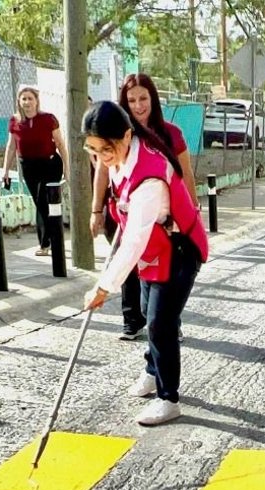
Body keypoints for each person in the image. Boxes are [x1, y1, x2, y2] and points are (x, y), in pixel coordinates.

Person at [81, 101, 209, 426]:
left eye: (105, 149)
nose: (101, 158)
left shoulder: (149, 175)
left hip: (179, 249)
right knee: (145, 305)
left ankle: (169, 398)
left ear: (126, 136)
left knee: (160, 323)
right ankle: (153, 370)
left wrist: (103, 287)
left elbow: (135, 238)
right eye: (93, 150)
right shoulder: (118, 158)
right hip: (156, 249)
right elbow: (131, 226)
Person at [91, 74, 199, 341]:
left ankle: (165, 323)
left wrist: (193, 212)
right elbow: (103, 173)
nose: (138, 106)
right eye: (131, 100)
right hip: (124, 210)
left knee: (163, 279)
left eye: (143, 99)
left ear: (153, 99)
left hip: (164, 221)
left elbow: (186, 175)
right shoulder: (118, 135)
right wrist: (96, 210)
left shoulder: (171, 134)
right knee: (128, 263)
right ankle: (133, 320)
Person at [1, 86, 71, 256]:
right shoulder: (15, 121)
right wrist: (5, 171)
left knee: (44, 200)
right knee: (40, 204)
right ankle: (52, 239)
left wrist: (67, 170)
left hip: (50, 164)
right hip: (29, 167)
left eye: (30, 98)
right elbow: (11, 147)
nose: (27, 102)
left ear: (36, 101)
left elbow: (60, 144)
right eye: (23, 98)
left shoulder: (48, 119)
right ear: (19, 101)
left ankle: (46, 243)